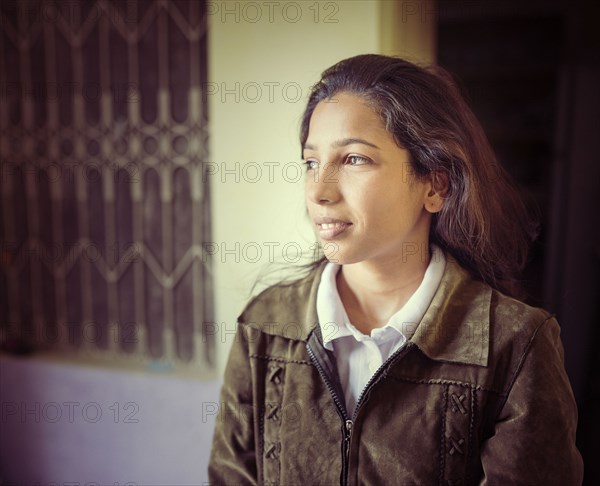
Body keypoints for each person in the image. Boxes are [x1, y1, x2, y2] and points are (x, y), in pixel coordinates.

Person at [208, 54, 583, 485]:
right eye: (311, 162)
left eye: (354, 160)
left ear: (434, 185)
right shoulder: (266, 323)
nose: (320, 192)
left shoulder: (516, 345)